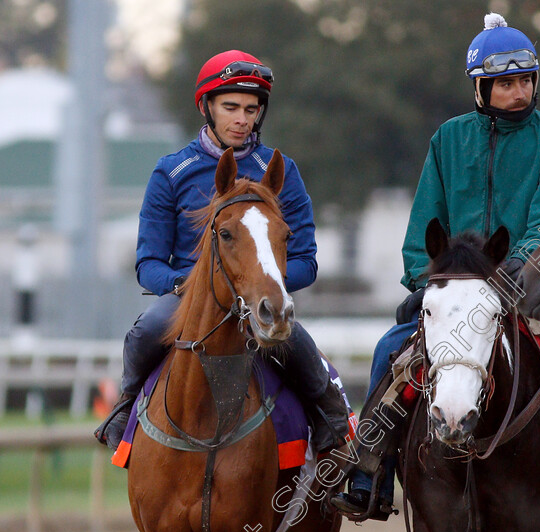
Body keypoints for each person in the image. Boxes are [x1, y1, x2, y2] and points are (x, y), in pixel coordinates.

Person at [331, 14, 540, 532]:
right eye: (506, 82)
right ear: (481, 88)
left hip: (533, 291)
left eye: (526, 79)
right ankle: (370, 474)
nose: (519, 90)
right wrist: (424, 281)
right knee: (386, 356)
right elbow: (423, 229)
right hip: (452, 295)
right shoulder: (447, 140)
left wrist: (509, 276)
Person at [94, 50, 349, 454]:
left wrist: (260, 282)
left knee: (295, 340)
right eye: (230, 107)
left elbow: (306, 261)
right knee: (144, 330)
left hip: (259, 297)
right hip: (188, 301)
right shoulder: (170, 172)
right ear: (207, 107)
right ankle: (124, 407)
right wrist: (190, 284)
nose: (242, 118)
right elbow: (148, 264)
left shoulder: (282, 171)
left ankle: (332, 417)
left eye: (251, 109)